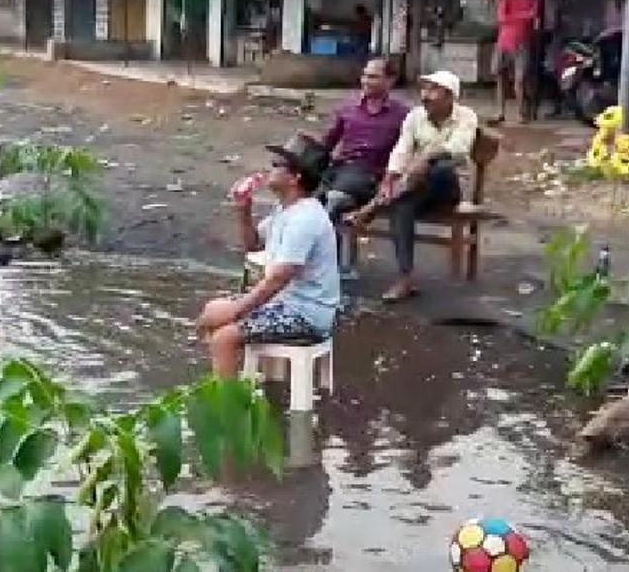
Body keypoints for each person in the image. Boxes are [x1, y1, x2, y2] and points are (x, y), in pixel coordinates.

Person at [197, 134, 342, 377]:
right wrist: (244, 210)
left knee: (224, 336)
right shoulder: (284, 210)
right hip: (285, 304)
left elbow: (278, 279)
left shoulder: (305, 218)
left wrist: (237, 310)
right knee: (213, 311)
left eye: (277, 165)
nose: (270, 169)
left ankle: (227, 408)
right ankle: (234, 386)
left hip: (306, 315)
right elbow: (253, 247)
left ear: (295, 177)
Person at [345, 71, 478, 302]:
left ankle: (371, 208)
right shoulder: (416, 116)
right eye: (424, 90)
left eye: (432, 91)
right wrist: (389, 177)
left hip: (448, 188)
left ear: (449, 97)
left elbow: (459, 148)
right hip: (414, 188)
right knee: (402, 205)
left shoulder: (466, 116)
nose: (425, 96)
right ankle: (405, 278)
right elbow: (402, 149)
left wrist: (426, 157)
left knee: (439, 167)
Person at [316, 57, 408, 219]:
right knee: (304, 198)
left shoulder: (402, 114)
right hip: (341, 170)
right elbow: (328, 142)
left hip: (372, 175)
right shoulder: (347, 108)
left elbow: (406, 152)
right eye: (364, 76)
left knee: (334, 201)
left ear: (390, 80)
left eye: (373, 77)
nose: (366, 81)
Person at [493, 0, 538, 123]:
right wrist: (523, 15)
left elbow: (533, 16)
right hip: (504, 41)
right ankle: (500, 112)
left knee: (520, 79)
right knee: (501, 77)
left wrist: (514, 17)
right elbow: (501, 17)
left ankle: (521, 113)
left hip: (521, 43)